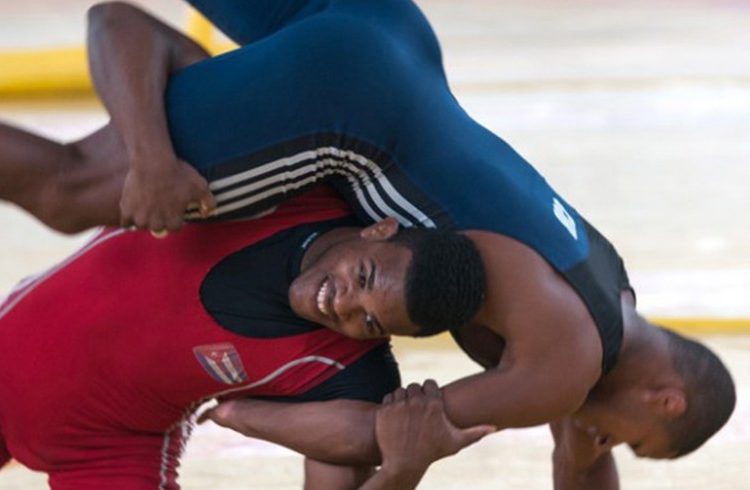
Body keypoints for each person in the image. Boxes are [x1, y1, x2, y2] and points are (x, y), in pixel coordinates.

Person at [0, 1, 736, 488]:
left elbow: (573, 418)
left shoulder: (605, 284)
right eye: (633, 442)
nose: (607, 444)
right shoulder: (564, 364)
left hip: (392, 38)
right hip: (348, 104)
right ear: (665, 400)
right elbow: (373, 432)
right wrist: (242, 414)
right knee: (71, 192)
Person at [0, 186, 492, 489]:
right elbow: (119, 23)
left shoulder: (349, 376)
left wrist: (402, 473)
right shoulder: (291, 192)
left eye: (371, 323)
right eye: (362, 278)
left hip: (106, 450)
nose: (343, 304)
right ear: (378, 231)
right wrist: (150, 152)